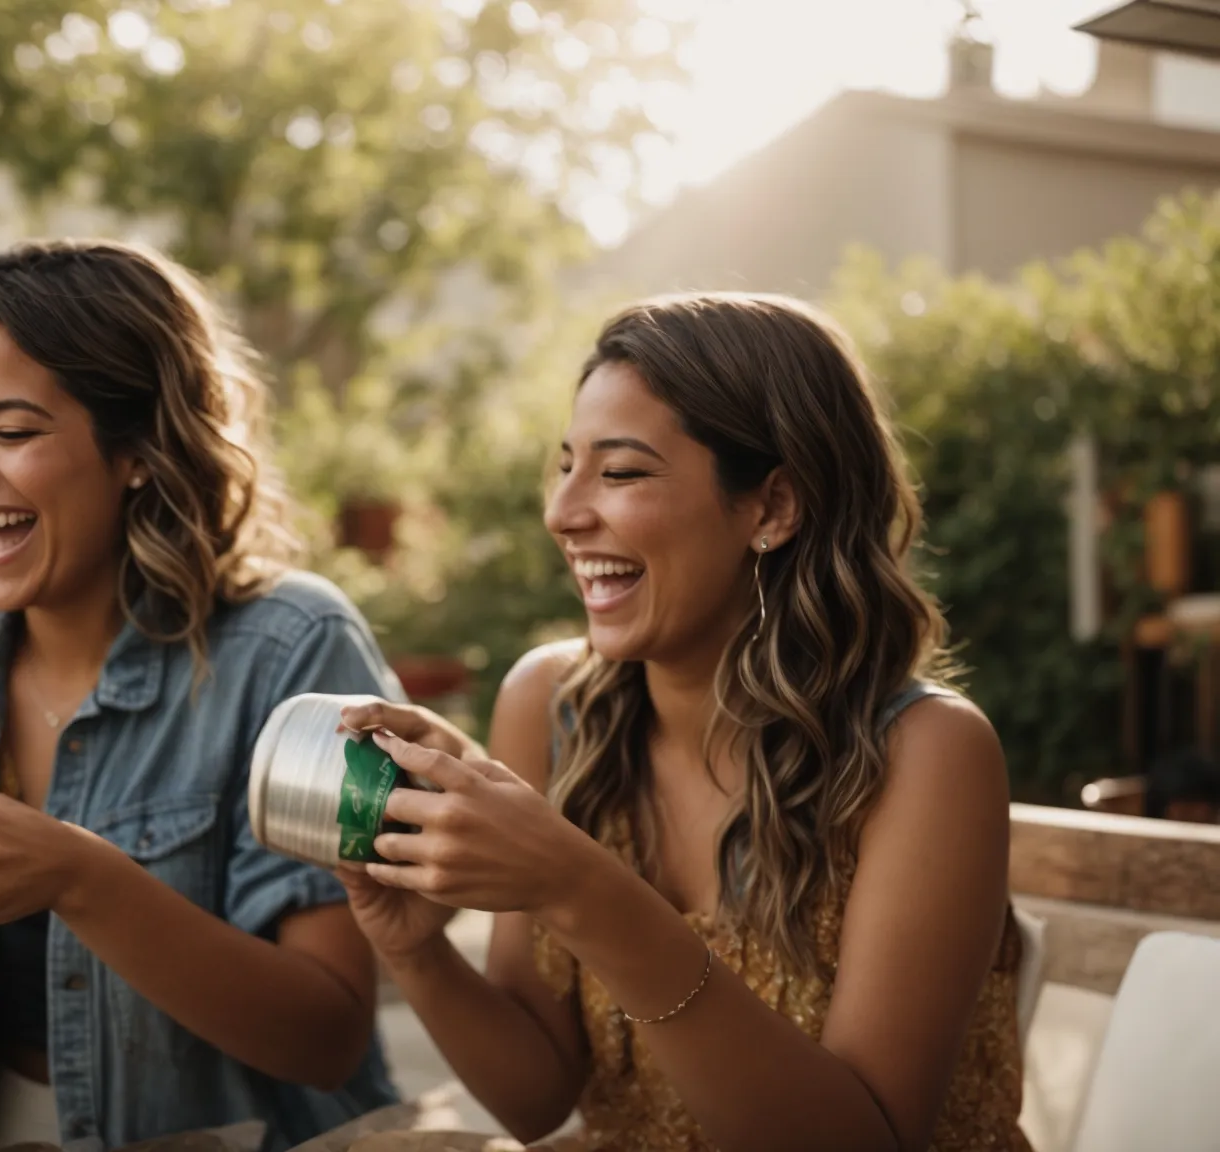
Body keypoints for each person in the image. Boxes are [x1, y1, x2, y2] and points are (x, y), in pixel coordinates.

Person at [338, 293, 1027, 1150]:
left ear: (773, 507)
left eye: (620, 472)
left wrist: (580, 887)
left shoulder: (926, 755)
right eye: (567, 466)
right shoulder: (550, 708)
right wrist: (414, 951)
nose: (564, 512)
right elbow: (536, 1098)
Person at [0, 238, 399, 1151]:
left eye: (10, 432)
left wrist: (83, 880)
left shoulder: (296, 650)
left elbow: (327, 1038)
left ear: (136, 451)